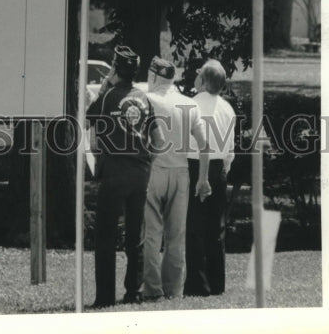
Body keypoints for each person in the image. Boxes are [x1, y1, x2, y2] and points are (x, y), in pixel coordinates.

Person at [86, 45, 152, 308]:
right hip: (140, 171)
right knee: (136, 234)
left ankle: (104, 296)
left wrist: (104, 87)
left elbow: (89, 118)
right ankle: (133, 292)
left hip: (115, 171)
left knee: (106, 234)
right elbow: (153, 133)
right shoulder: (143, 97)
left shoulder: (108, 96)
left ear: (115, 69)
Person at [141, 57, 211, 301]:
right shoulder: (189, 105)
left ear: (152, 77)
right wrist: (203, 179)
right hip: (182, 173)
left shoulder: (148, 100)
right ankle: (173, 290)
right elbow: (205, 146)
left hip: (155, 169)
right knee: (176, 236)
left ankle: (152, 289)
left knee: (151, 234)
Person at [184, 59, 236, 297]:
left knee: (194, 225)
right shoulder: (227, 109)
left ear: (203, 81)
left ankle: (197, 283)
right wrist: (224, 168)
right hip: (219, 168)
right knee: (216, 228)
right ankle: (217, 283)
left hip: (194, 165)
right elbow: (230, 149)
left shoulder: (191, 105)